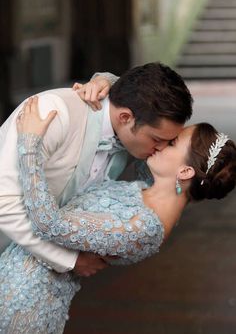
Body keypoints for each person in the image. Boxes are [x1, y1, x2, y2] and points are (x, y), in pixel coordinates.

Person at [0, 97, 236, 333]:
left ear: (185, 171)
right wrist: (105, 83)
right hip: (14, 269)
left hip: (29, 300)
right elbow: (135, 121)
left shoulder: (142, 228)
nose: (161, 142)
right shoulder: (149, 184)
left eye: (171, 142)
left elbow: (48, 224)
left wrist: (30, 145)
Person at [0, 62, 193, 278]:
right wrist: (70, 260)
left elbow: (132, 89)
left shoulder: (133, 139)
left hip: (39, 270)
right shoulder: (50, 114)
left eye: (169, 142)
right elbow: (4, 202)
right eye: (157, 139)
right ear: (125, 118)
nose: (161, 148)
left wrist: (107, 79)